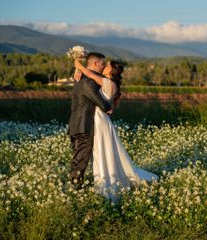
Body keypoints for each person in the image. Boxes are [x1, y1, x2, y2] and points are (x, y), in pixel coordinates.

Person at [74, 59, 158, 200]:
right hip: (102, 120)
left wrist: (78, 65)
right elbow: (111, 108)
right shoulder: (113, 85)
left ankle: (106, 182)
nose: (104, 67)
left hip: (99, 120)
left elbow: (88, 73)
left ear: (111, 71)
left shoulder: (106, 82)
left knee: (101, 151)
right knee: (102, 151)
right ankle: (104, 179)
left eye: (107, 66)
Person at [68, 52, 112, 189]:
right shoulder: (87, 81)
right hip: (82, 125)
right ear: (95, 63)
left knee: (78, 157)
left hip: (77, 123)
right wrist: (108, 107)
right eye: (102, 64)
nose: (103, 67)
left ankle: (76, 185)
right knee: (81, 159)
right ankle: (75, 188)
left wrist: (79, 68)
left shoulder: (81, 77)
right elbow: (98, 100)